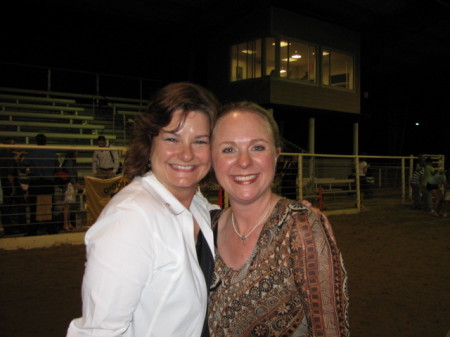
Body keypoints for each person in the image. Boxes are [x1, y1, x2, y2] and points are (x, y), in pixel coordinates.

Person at [66, 82, 220, 337]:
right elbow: (99, 332)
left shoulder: (196, 203)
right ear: (150, 143)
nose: (186, 154)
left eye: (200, 141)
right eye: (172, 138)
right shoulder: (131, 219)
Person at [207, 102, 349, 337]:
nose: (243, 161)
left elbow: (330, 328)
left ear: (276, 155)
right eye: (228, 149)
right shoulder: (206, 227)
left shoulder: (300, 228)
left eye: (258, 147)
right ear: (213, 159)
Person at [21, 133, 59, 235]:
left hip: (36, 182)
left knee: (33, 207)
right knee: (49, 205)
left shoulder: (32, 153)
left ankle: (33, 230)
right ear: (45, 141)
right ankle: (51, 229)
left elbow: (23, 167)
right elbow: (56, 168)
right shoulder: (52, 153)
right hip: (48, 182)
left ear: (36, 141)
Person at [60, 151, 83, 231]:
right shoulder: (70, 161)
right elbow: (71, 174)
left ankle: (68, 223)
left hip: (70, 184)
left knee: (68, 206)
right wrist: (75, 183)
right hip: (69, 185)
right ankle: (66, 224)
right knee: (67, 205)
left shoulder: (69, 161)